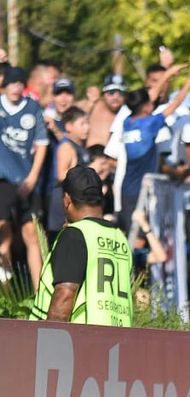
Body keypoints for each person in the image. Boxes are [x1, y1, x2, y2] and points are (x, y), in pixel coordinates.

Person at [27, 166, 132, 325]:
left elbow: (65, 295)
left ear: (67, 200)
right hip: (117, 340)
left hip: (81, 343)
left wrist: (48, 342)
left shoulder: (75, 235)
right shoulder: (120, 238)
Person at [117, 73, 190, 231]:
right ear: (145, 107)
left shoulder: (127, 122)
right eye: (150, 102)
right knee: (142, 236)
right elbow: (176, 103)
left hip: (127, 188)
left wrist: (169, 73)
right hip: (142, 191)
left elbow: (149, 96)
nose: (153, 102)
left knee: (131, 232)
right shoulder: (150, 123)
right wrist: (189, 80)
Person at [0, 66, 48, 288]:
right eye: (11, 83)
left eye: (20, 83)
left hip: (27, 181)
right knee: (3, 230)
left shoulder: (32, 108)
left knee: (31, 234)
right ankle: (6, 288)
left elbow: (41, 145)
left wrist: (32, 179)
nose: (16, 87)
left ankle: (39, 293)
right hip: (3, 181)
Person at [46, 107, 91, 238]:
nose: (87, 127)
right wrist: (88, 172)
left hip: (75, 204)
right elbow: (61, 175)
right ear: (69, 126)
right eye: (82, 123)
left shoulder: (79, 146)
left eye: (88, 123)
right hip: (63, 205)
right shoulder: (67, 147)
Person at [87, 74, 125, 148]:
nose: (116, 97)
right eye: (111, 92)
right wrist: (89, 104)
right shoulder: (93, 108)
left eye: (120, 93)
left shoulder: (129, 113)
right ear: (104, 94)